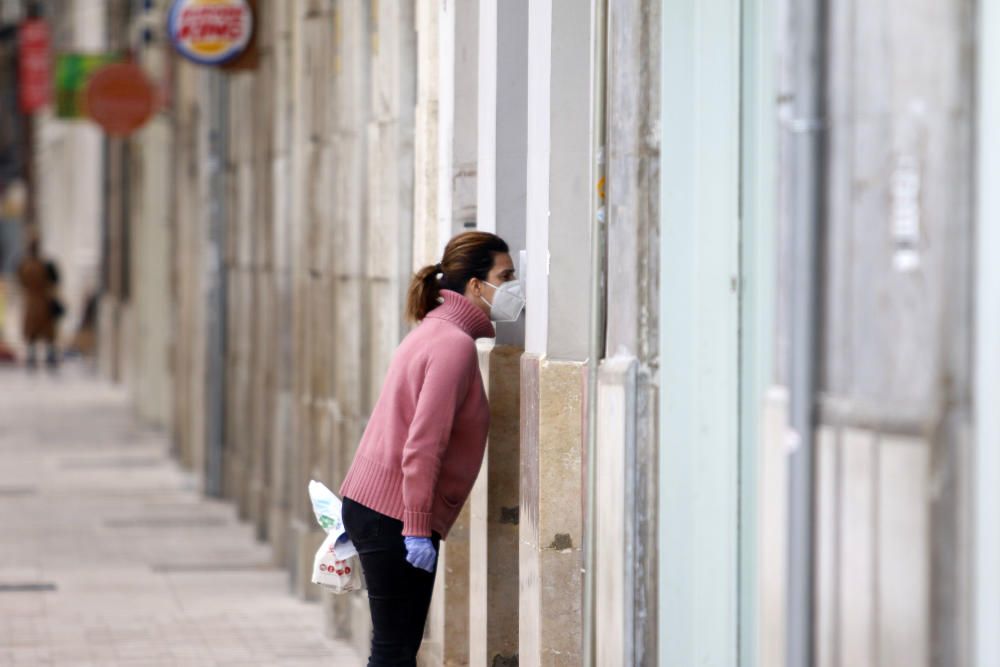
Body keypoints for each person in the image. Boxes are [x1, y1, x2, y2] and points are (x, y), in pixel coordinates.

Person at [339, 231, 525, 666]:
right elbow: (423, 444)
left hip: (379, 508)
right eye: (507, 275)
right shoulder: (452, 345)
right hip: (395, 515)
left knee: (395, 646)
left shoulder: (436, 331)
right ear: (477, 286)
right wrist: (417, 526)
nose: (515, 286)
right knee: (395, 650)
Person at [17, 238, 61, 368]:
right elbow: (55, 281)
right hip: (41, 301)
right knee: (43, 332)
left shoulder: (25, 264)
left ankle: (38, 357)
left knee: (37, 332)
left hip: (34, 302)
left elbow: (20, 281)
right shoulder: (42, 264)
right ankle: (46, 356)